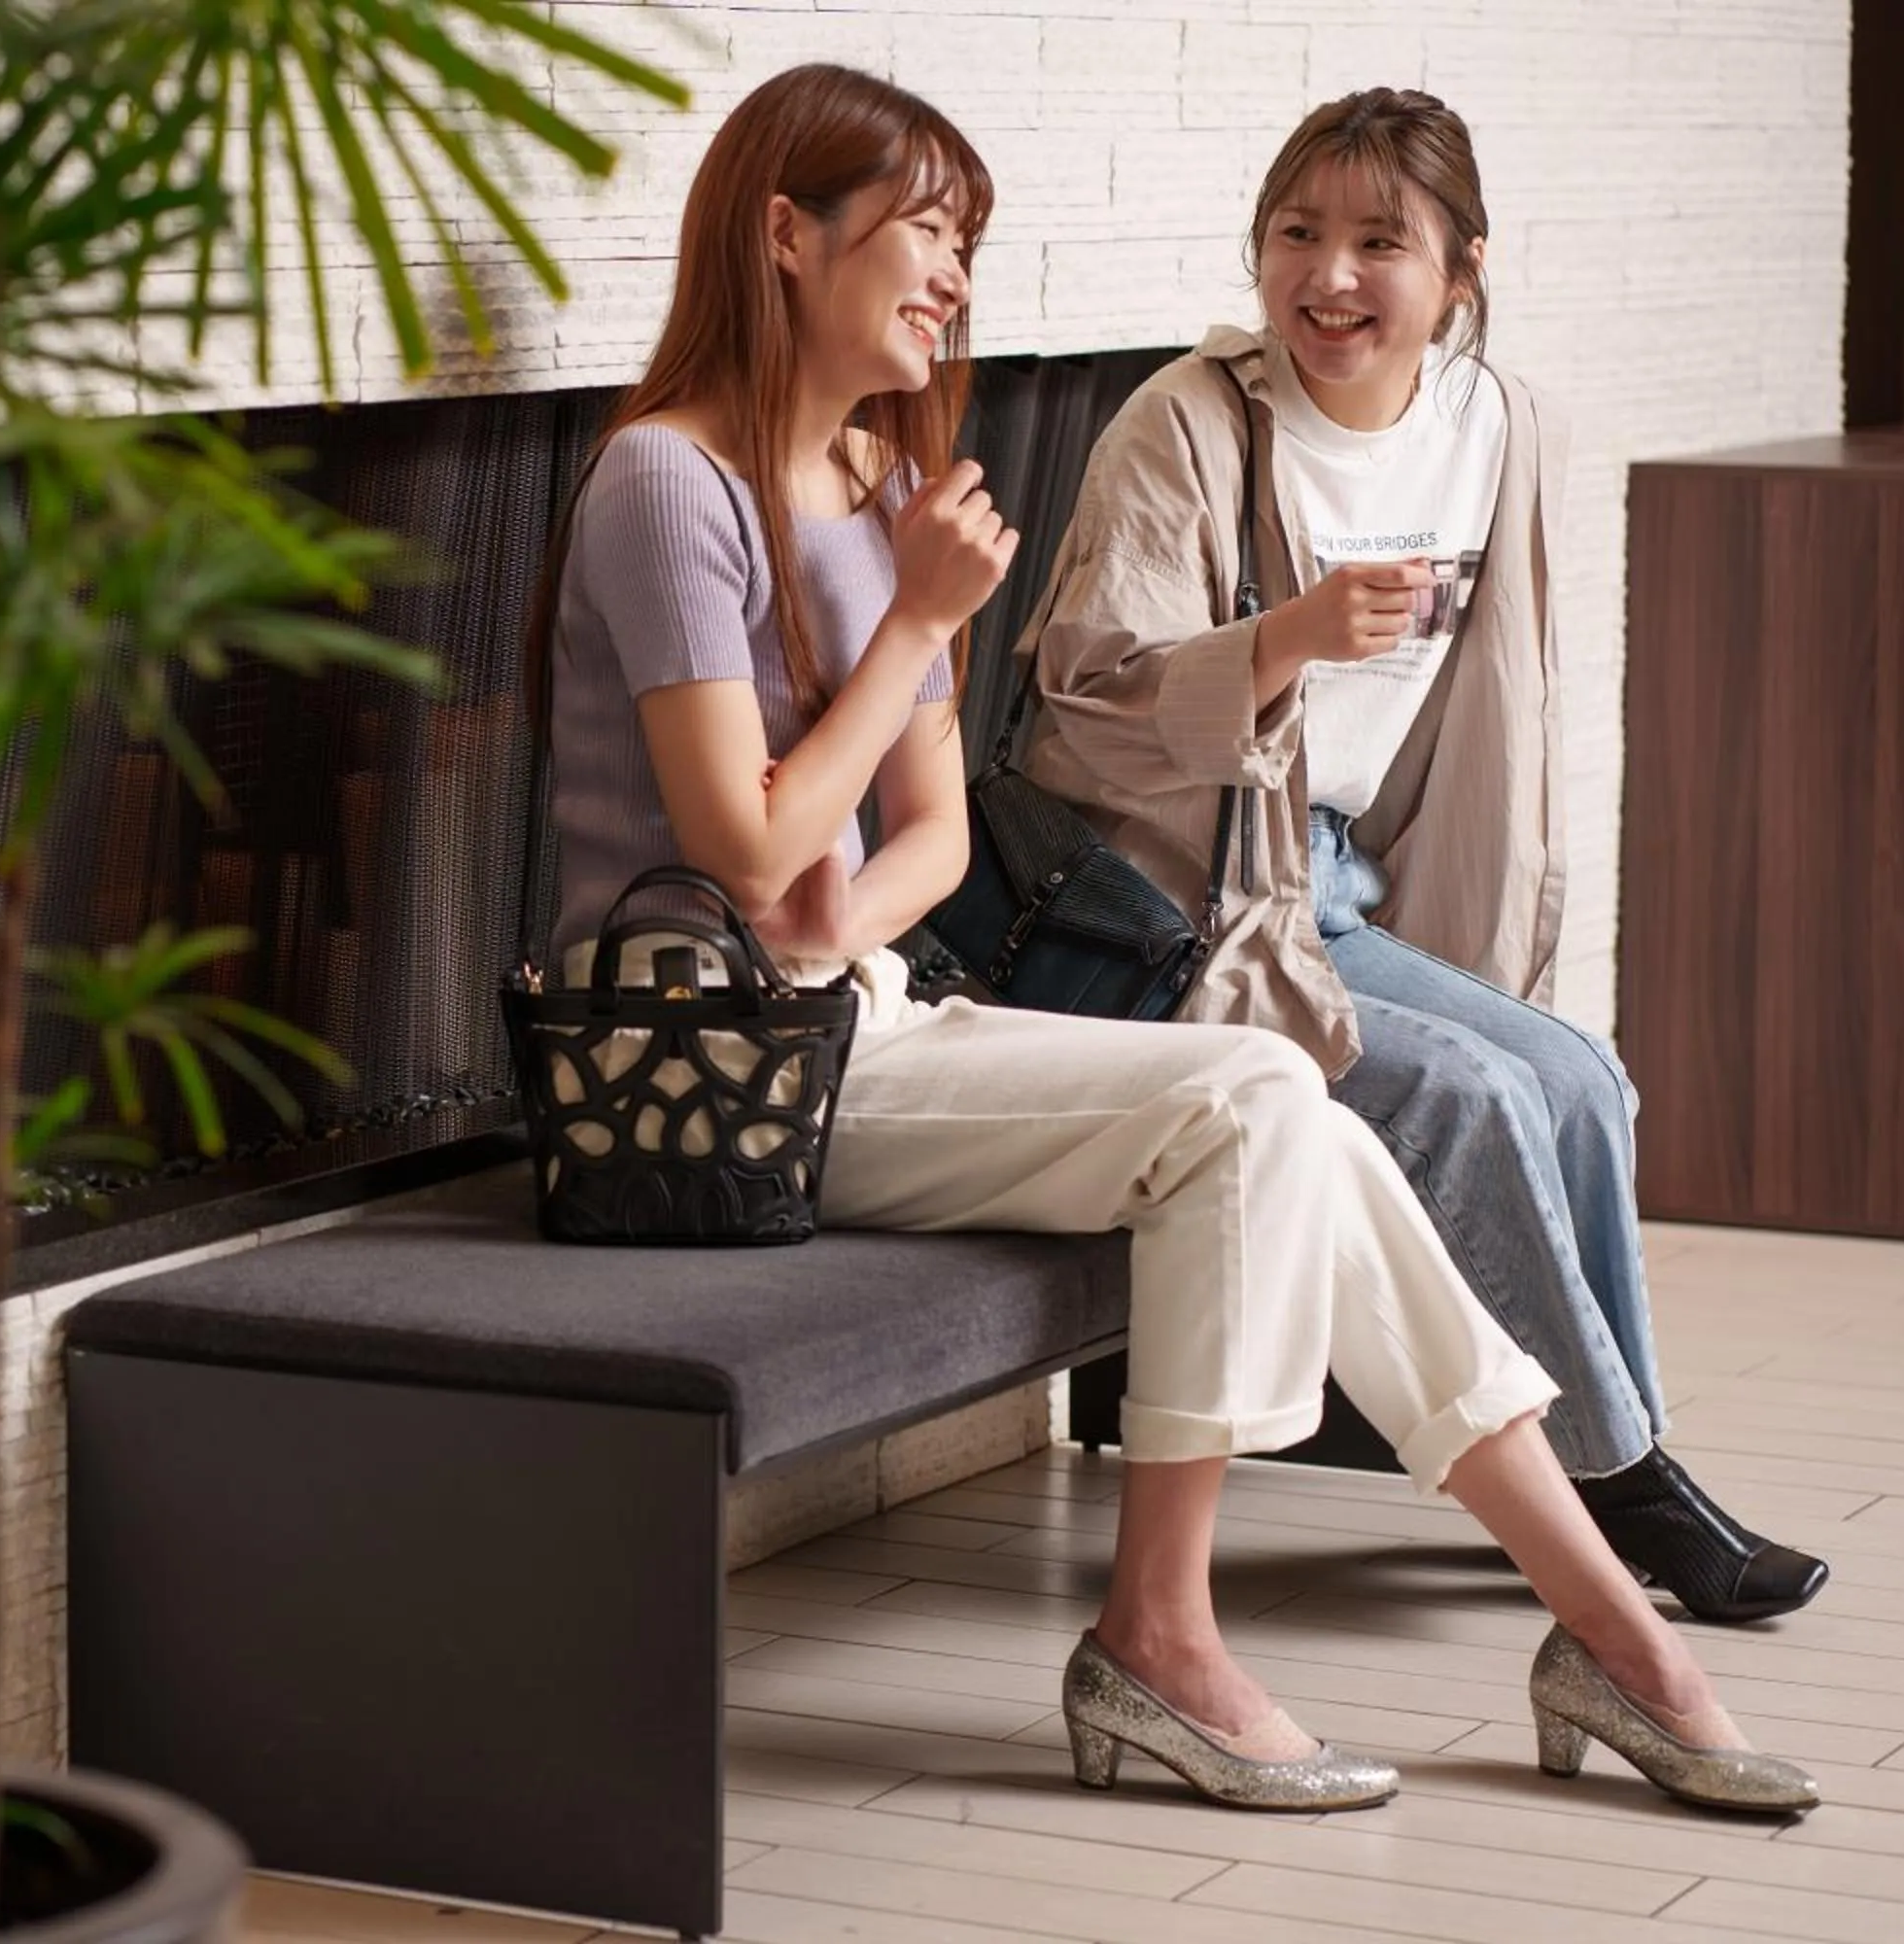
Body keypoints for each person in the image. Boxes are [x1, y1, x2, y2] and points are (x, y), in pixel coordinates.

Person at [533, 61, 1815, 1817]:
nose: (954, 280)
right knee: (1252, 1102)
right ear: (784, 236)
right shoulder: (664, 487)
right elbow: (739, 843)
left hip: (859, 1019)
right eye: (927, 232)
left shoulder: (878, 475)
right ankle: (1170, 1637)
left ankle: (1606, 1624)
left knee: (1285, 1106)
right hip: (697, 1085)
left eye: (965, 242)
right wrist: (910, 642)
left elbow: (931, 838)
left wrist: (840, 893)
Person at [1011, 87, 1826, 1625]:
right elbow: (1084, 712)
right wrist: (1282, 643)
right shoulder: (1188, 424)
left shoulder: (1499, 429)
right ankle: (1623, 1494)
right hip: (1166, 907)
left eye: (1380, 241)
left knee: (1577, 1076)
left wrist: (1481, 936)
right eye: (1297, 234)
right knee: (1469, 1093)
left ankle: (1597, 1469)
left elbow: (1508, 704)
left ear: (1460, 272)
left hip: (1333, 890)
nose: (1329, 277)